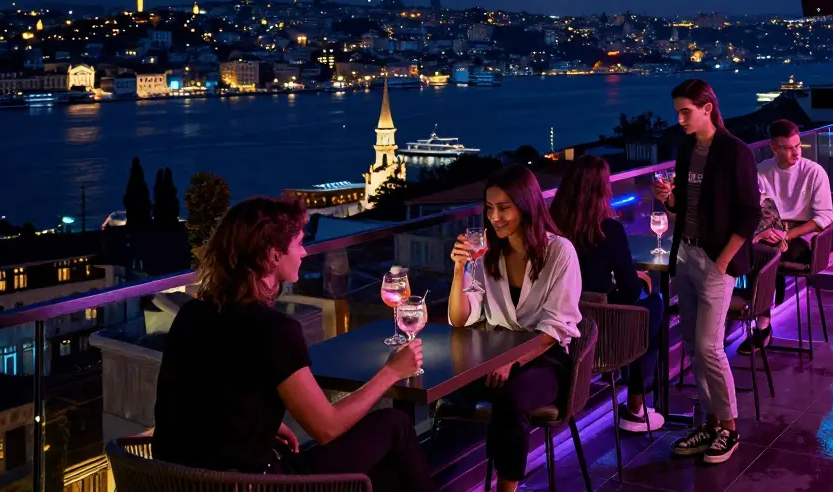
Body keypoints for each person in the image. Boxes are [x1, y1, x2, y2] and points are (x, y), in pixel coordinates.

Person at [153, 197, 433, 492]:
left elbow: (208, 396)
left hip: (177, 482)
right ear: (274, 255)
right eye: (298, 243)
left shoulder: (191, 314)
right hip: (252, 484)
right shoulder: (274, 330)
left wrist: (261, 429)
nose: (304, 252)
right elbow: (326, 427)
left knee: (374, 459)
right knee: (396, 426)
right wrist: (391, 372)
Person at [448, 165, 582, 492]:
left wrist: (514, 361)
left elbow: (556, 326)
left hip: (545, 357)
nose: (495, 217)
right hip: (497, 355)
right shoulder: (486, 255)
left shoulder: (559, 252)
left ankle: (505, 489)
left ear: (526, 205)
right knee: (447, 390)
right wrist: (459, 268)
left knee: (512, 400)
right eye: (490, 208)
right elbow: (461, 318)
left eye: (504, 208)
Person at [653, 78, 760, 464]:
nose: (680, 119)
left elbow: (750, 213)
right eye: (677, 112)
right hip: (685, 254)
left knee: (709, 347)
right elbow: (685, 207)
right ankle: (711, 423)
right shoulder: (686, 150)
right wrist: (669, 200)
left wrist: (724, 260)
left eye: (686, 112)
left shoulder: (735, 152)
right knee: (694, 350)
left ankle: (730, 429)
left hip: (717, 260)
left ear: (707, 109)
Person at [549, 155, 666, 433]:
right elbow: (629, 291)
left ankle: (635, 407)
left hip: (558, 331)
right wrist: (632, 279)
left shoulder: (550, 227)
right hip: (602, 337)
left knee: (641, 311)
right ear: (602, 189)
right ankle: (635, 408)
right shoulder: (608, 229)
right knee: (653, 307)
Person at [738, 119, 833, 354]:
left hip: (801, 238)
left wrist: (788, 235)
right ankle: (759, 314)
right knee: (754, 250)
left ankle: (762, 325)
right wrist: (763, 233)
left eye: (798, 146)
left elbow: (825, 218)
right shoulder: (761, 171)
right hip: (769, 233)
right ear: (774, 148)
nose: (796, 152)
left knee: (762, 255)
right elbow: (753, 209)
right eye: (788, 148)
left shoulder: (814, 172)